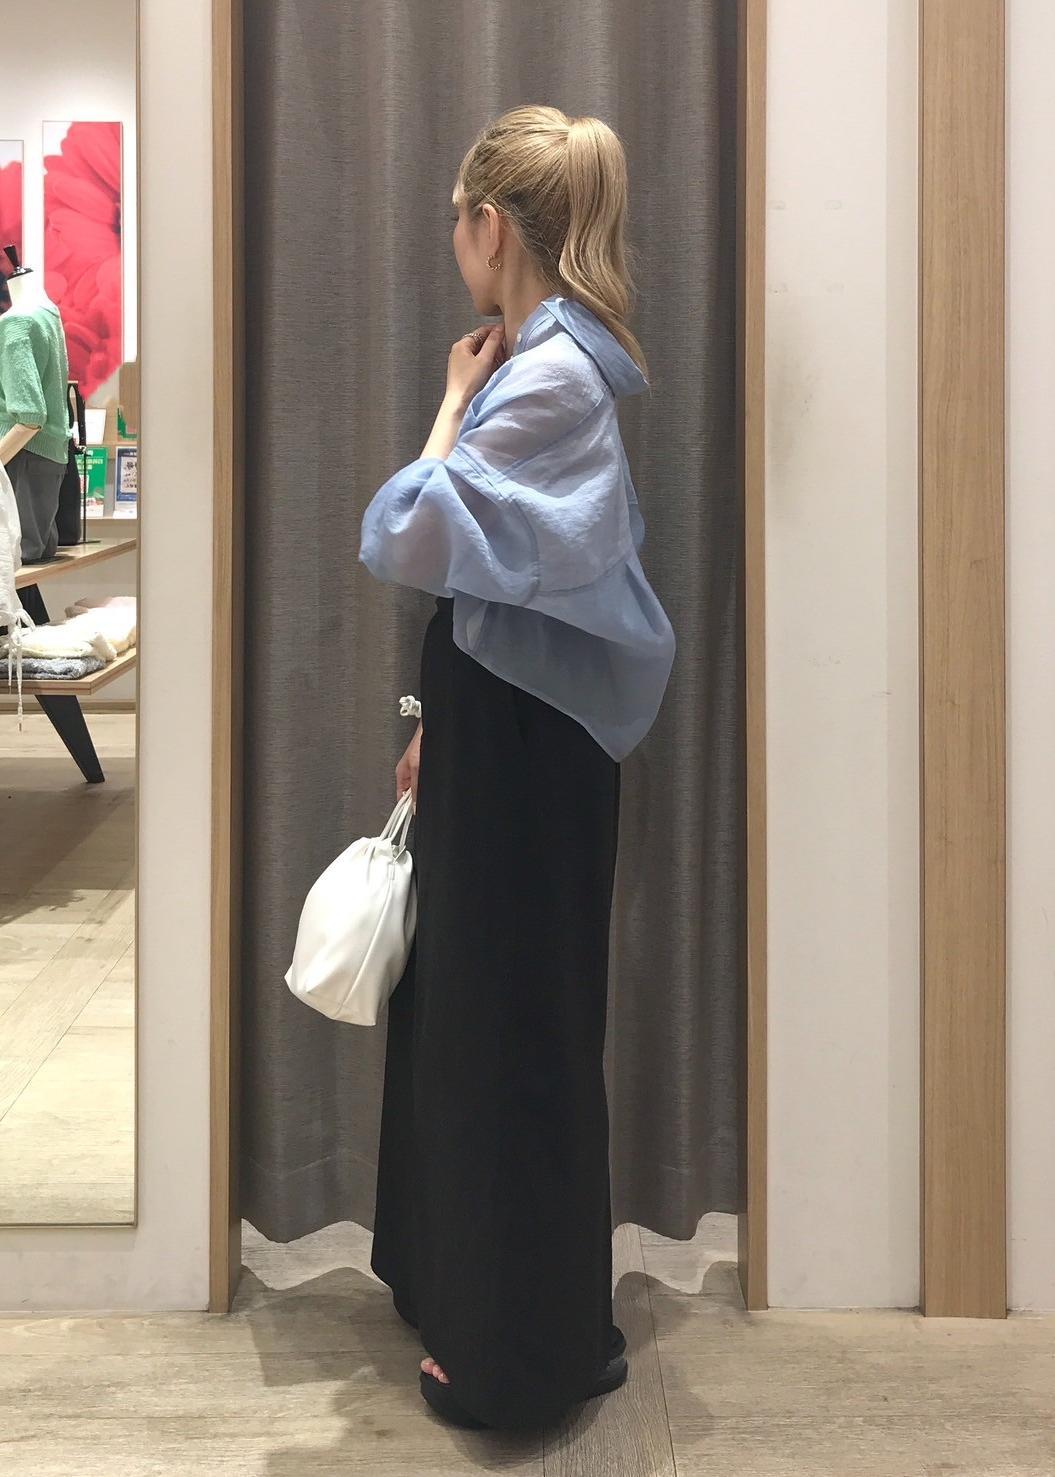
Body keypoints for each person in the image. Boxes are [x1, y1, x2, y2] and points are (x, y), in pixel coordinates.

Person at [358, 104, 676, 1431]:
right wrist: (440, 719)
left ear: (493, 227)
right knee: (481, 1014)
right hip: (507, 728)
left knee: (511, 1027)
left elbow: (408, 530)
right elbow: (513, 586)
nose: (453, 242)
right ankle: (472, 1296)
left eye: (458, 219)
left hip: (530, 752)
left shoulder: (549, 378)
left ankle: (515, 1354)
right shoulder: (547, 362)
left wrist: (445, 405)